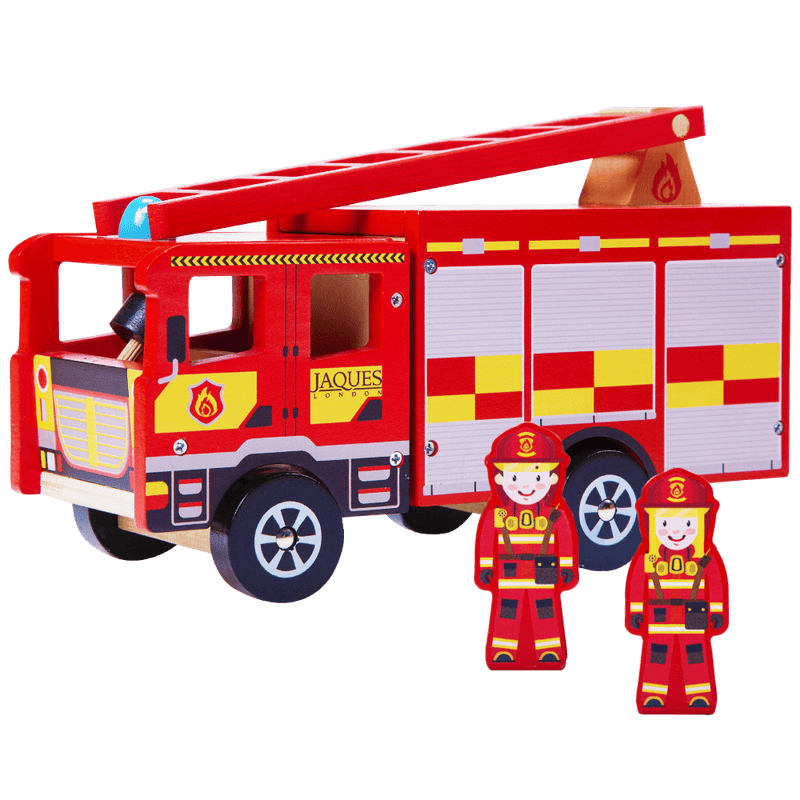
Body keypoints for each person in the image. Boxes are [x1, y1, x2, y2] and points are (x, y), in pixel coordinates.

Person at [473, 423, 579, 670]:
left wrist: (566, 567)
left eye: (537, 477)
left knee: (546, 612)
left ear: (553, 477)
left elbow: (565, 540)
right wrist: (485, 567)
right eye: (515, 477)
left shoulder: (556, 514)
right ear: (500, 477)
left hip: (544, 573)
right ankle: (503, 651)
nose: (526, 486)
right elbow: (487, 540)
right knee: (506, 613)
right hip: (509, 575)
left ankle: (550, 651)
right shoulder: (496, 514)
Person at [625, 468, 729, 714]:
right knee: (656, 656)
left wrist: (716, 612)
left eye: (687, 522)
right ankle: (653, 695)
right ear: (651, 521)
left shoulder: (706, 558)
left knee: (696, 656)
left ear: (702, 522)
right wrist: (636, 611)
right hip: (659, 619)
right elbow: (637, 584)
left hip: (693, 618)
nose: (676, 531)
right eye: (665, 522)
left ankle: (699, 695)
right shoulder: (647, 558)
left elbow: (715, 584)